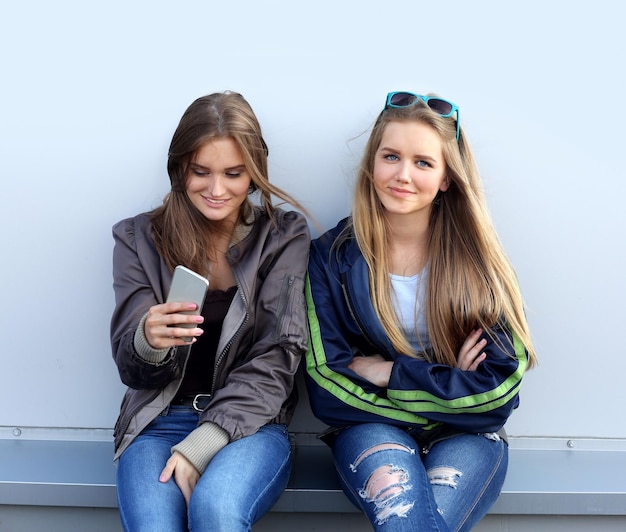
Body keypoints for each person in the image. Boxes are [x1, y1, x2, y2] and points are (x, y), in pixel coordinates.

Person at [304, 91, 537, 531]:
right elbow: (326, 384)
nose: (403, 175)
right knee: (406, 519)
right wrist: (451, 391)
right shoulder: (330, 258)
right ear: (372, 164)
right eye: (391, 156)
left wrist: (390, 375)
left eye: (423, 163)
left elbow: (499, 391)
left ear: (447, 177)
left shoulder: (478, 262)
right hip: (371, 432)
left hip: (466, 438)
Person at [110, 91, 310, 532]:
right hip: (158, 420)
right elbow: (131, 369)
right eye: (201, 172)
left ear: (253, 173)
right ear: (179, 168)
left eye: (233, 174)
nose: (216, 190)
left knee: (216, 512)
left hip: (249, 427)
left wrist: (205, 439)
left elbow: (279, 355)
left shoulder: (281, 237)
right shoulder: (138, 238)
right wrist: (149, 341)